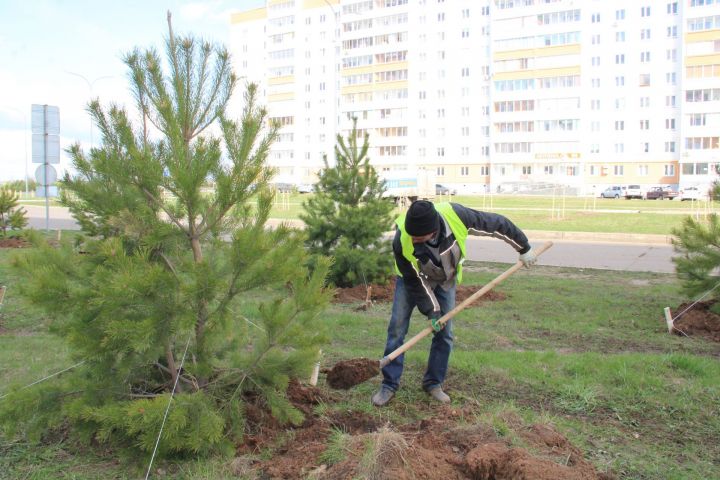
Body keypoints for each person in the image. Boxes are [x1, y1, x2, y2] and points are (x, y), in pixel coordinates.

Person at [371, 200, 537, 407]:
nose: (414, 241)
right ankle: (389, 384)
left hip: (444, 279)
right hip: (412, 280)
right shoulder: (402, 239)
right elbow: (416, 282)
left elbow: (497, 224)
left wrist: (524, 247)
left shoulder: (456, 215)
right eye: (413, 238)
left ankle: (433, 383)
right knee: (397, 329)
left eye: (419, 239)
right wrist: (432, 311)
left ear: (433, 231)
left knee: (445, 333)